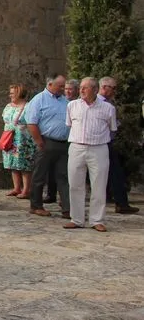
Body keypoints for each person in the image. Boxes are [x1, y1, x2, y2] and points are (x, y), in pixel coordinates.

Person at [63, 78, 117, 232]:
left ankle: (97, 220)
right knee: (75, 184)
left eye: (85, 88)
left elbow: (112, 128)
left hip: (98, 148)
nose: (81, 91)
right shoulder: (72, 105)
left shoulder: (107, 108)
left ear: (95, 89)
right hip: (77, 147)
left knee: (99, 185)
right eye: (80, 87)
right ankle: (76, 219)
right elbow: (69, 124)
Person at [25, 74, 70, 217]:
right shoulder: (39, 100)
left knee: (64, 176)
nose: (63, 89)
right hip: (46, 141)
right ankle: (36, 205)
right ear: (50, 84)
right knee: (40, 175)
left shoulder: (65, 101)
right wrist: (39, 142)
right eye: (60, 86)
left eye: (64, 85)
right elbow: (31, 122)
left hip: (63, 143)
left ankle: (67, 208)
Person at [98, 76, 140, 214]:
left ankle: (121, 202)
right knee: (113, 173)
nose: (115, 91)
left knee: (116, 173)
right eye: (113, 88)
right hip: (100, 143)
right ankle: (120, 203)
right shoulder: (100, 103)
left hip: (107, 142)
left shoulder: (109, 103)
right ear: (104, 87)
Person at [2, 83, 36, 199]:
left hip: (23, 139)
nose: (10, 95)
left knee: (24, 165)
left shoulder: (27, 107)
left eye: (12, 93)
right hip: (10, 138)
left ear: (19, 93)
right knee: (13, 164)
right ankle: (16, 188)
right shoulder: (8, 106)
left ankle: (26, 189)